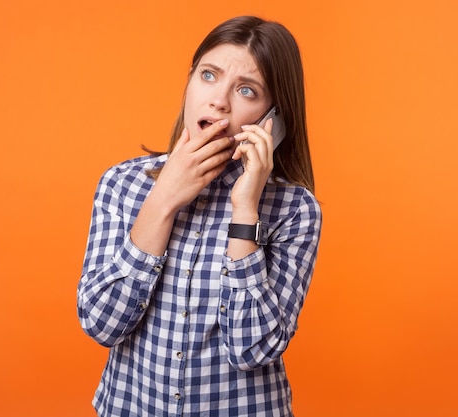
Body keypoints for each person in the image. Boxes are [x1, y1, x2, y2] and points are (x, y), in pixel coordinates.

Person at [77, 15, 322, 417]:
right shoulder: (121, 184)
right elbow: (102, 324)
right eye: (209, 75)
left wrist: (246, 207)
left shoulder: (295, 210)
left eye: (246, 90)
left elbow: (252, 349)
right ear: (190, 81)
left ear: (272, 119)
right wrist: (163, 200)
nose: (219, 101)